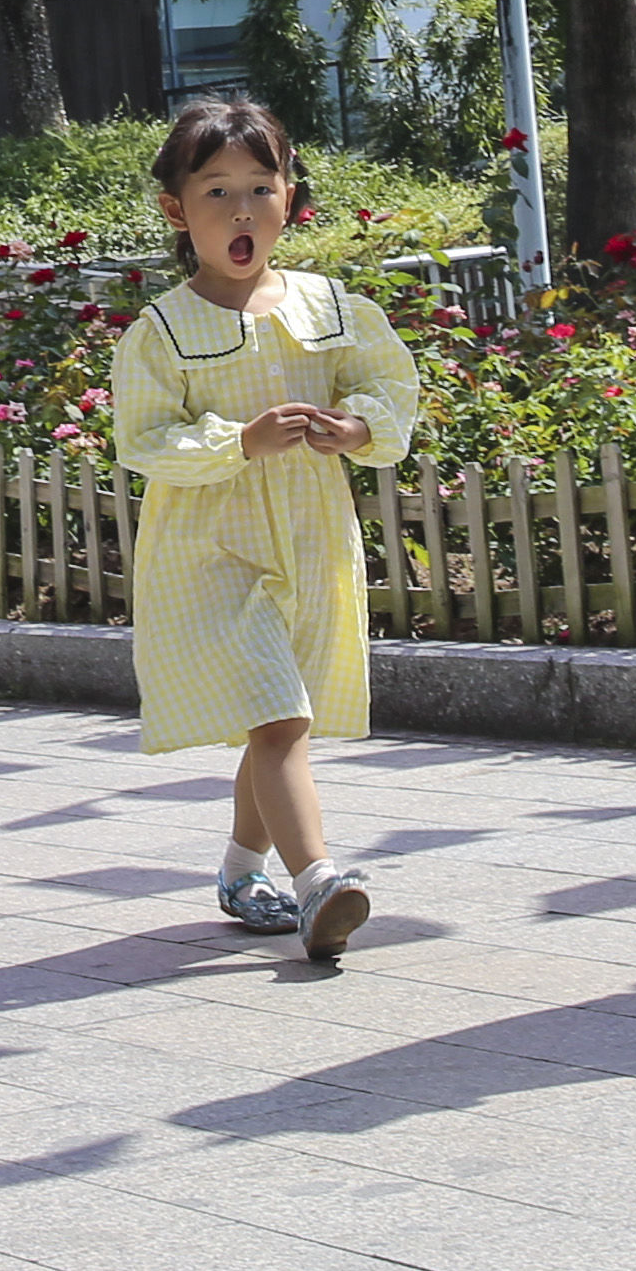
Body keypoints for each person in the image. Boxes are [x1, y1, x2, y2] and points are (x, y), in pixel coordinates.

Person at [105, 96, 418, 964]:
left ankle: (244, 869)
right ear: (176, 209)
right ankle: (319, 878)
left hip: (312, 543)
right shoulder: (162, 329)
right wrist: (240, 441)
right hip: (211, 554)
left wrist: (354, 429)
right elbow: (143, 441)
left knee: (279, 715)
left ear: (290, 196)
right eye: (216, 193)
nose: (242, 211)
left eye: (260, 187)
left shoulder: (329, 305)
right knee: (276, 716)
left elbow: (391, 391)